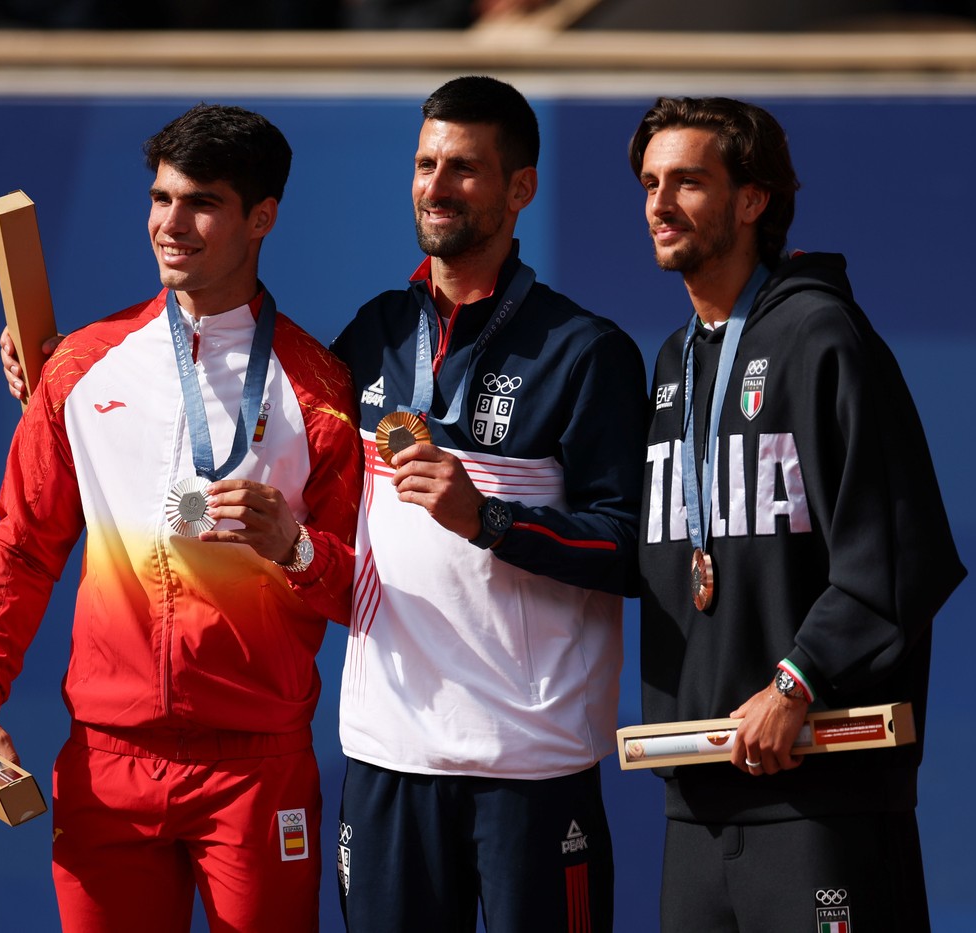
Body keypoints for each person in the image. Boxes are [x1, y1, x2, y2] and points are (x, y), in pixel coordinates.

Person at [0, 102, 362, 933]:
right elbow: (22, 548)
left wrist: (298, 548)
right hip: (106, 761)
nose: (171, 223)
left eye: (201, 201)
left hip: (256, 771)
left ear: (262, 217)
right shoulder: (79, 367)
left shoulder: (319, 394)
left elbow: (364, 591)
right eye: (161, 198)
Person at [629, 96, 965, 933]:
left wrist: (796, 680)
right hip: (697, 798)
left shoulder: (824, 335)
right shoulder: (676, 358)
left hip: (822, 796)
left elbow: (897, 552)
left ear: (753, 200)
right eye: (650, 183)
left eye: (688, 182)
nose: (660, 204)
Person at [328, 76, 647, 932]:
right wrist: (66, 376)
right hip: (387, 753)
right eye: (426, 163)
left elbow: (630, 547)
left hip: (531, 763)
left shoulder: (585, 352)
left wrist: (490, 521)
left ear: (520, 189)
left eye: (464, 168)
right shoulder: (375, 332)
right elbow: (260, 433)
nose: (436, 185)